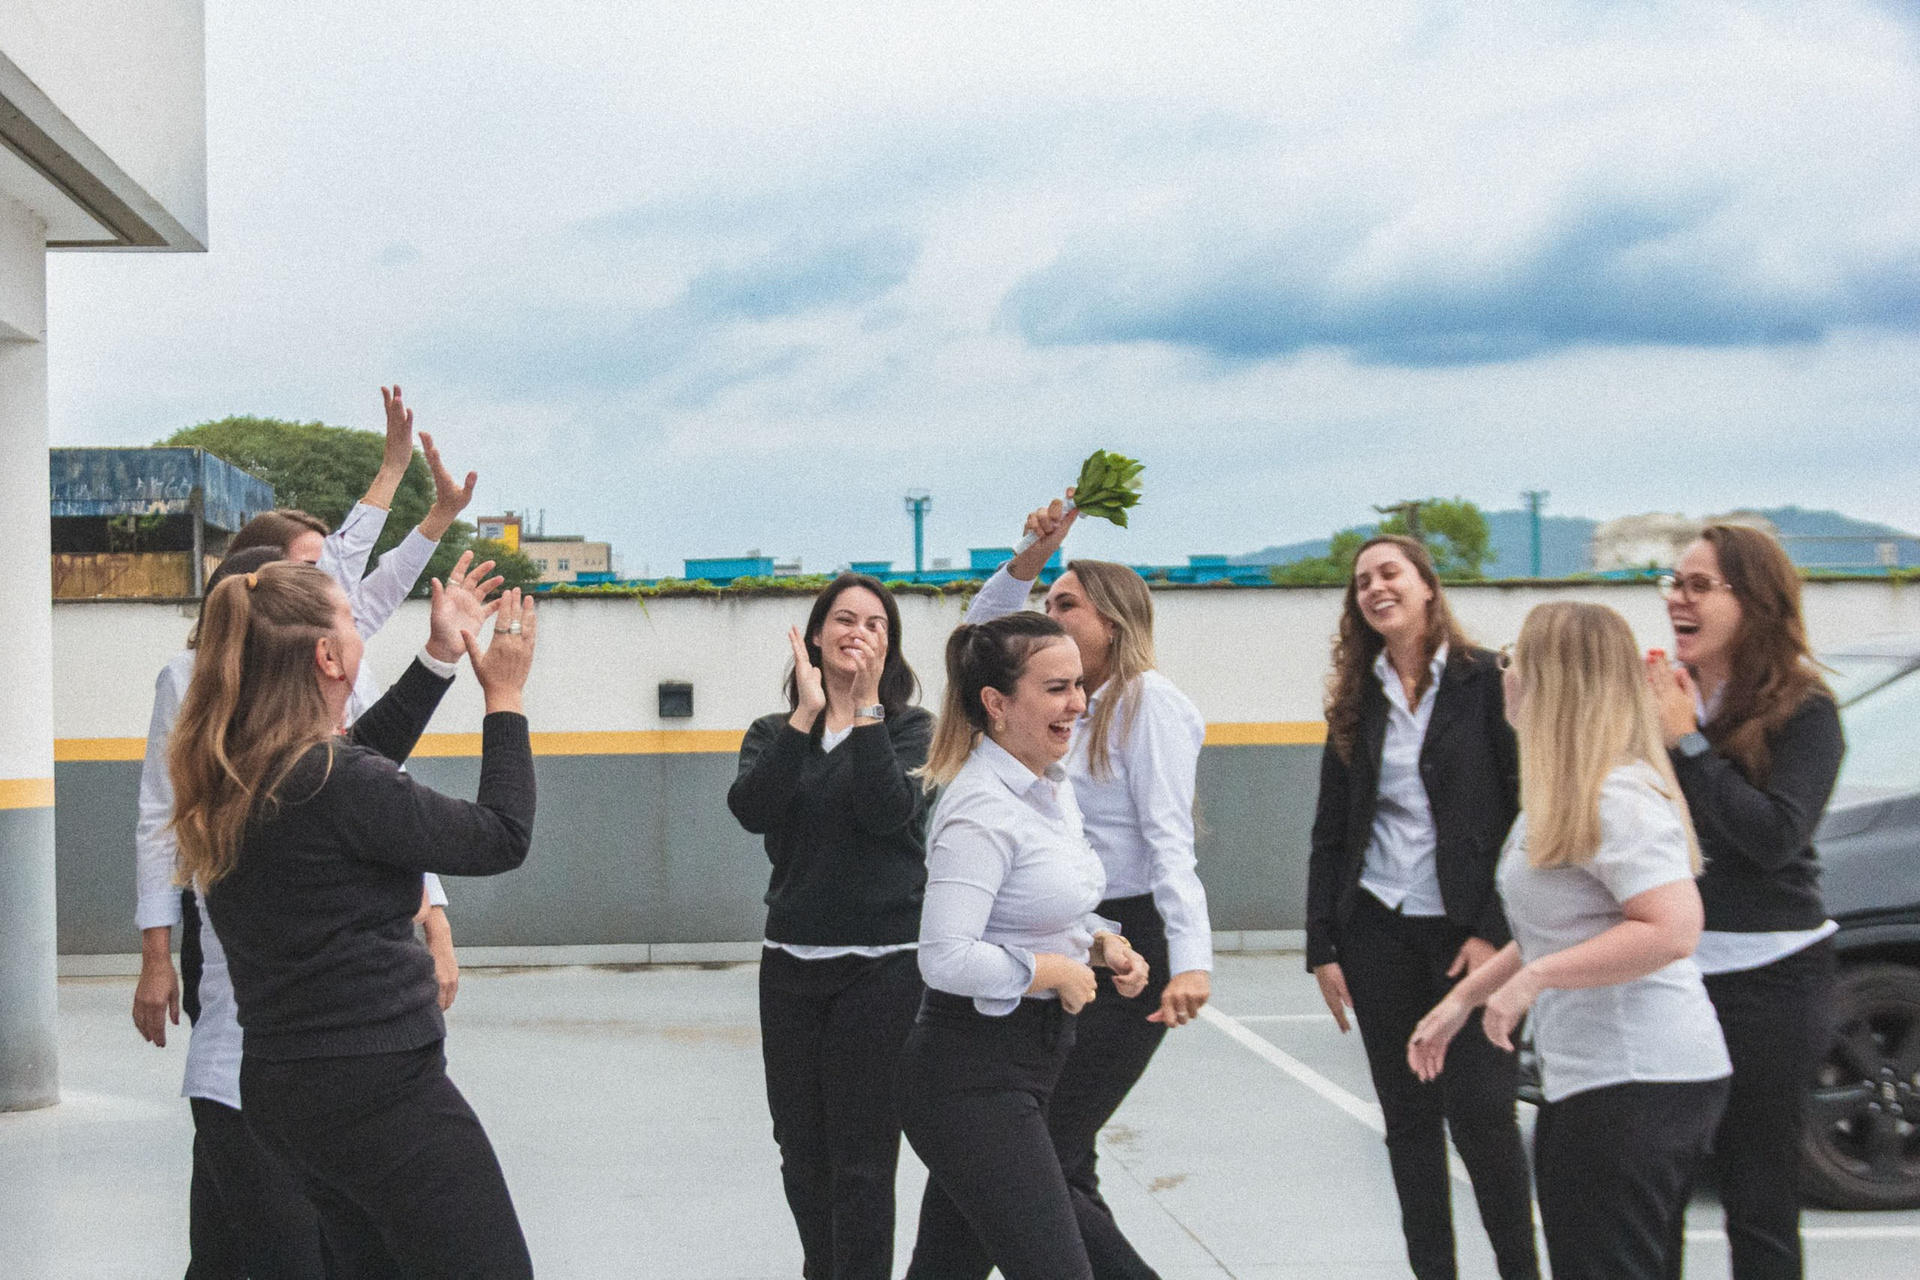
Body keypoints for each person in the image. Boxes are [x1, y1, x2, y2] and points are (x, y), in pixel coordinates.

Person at [131, 387, 478, 1276]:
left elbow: (380, 790)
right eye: (317, 574)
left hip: (303, 1041)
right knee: (265, 1221)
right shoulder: (229, 717)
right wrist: (157, 952)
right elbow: (161, 819)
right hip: (272, 1029)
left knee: (257, 1227)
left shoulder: (325, 698)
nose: (343, 587)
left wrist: (424, 506)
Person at [174, 559, 538, 1278]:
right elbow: (502, 835)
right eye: (348, 618)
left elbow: (354, 764)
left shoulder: (244, 773)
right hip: (380, 1090)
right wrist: (505, 696)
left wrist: (439, 657)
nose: (359, 630)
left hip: (286, 1088)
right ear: (327, 656)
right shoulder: (332, 781)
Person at [1410, 602, 1731, 1280]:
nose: (1504, 672)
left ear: (1551, 679)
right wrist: (1465, 998)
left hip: (1639, 1079)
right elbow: (1558, 927)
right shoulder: (1566, 791)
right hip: (1599, 1078)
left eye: (1513, 658)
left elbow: (1673, 928)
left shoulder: (1618, 797)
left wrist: (1537, 980)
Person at [954, 492, 1210, 1279]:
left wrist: (1191, 961)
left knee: (1043, 1157)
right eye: (1049, 600)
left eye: (1067, 603)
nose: (1051, 612)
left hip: (1131, 943)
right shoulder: (1057, 703)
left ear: (1114, 622)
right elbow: (978, 640)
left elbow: (1170, 841)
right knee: (1066, 1159)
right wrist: (1034, 554)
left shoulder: (1148, 703)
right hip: (1069, 933)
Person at [1304, 535, 1538, 1280]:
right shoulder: (1356, 696)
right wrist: (1322, 946)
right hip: (1376, 930)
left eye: (1390, 573)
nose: (1376, 587)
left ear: (1427, 585)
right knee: (1408, 1124)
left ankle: (1521, 1271)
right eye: (1363, 581)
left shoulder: (1487, 681)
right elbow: (1332, 831)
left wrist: (1494, 932)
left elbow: (1528, 814)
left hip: (1467, 935)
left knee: (1484, 1118)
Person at [897, 611, 1152, 1280]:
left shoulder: (1049, 790)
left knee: (945, 1270)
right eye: (1057, 688)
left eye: (1079, 685)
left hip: (1029, 1066)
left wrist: (1100, 944)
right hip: (969, 1077)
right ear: (997, 703)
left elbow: (1032, 910)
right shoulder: (981, 809)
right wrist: (1051, 970)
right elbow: (944, 956)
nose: (1078, 703)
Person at [1645, 524, 1845, 1279]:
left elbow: (1774, 838)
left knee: (1759, 1202)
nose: (1678, 599)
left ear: (1754, 601)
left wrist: (1689, 744)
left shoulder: (1806, 710)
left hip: (1773, 980)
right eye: (1674, 583)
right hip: (1670, 971)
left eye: (1699, 586)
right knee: (1656, 1195)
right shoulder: (1661, 694)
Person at [726, 573, 935, 1280]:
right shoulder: (773, 732)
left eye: (876, 624)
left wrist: (866, 711)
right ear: (816, 636)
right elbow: (752, 809)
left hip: (882, 968)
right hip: (791, 966)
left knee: (864, 1160)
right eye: (844, 619)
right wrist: (807, 714)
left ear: (890, 645)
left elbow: (887, 812)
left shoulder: (911, 730)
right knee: (800, 1151)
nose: (859, 632)